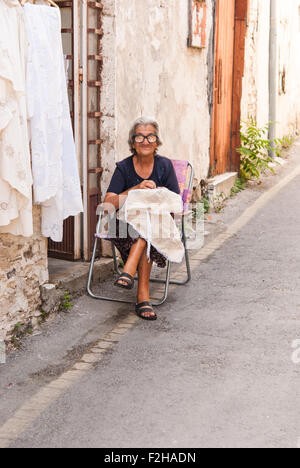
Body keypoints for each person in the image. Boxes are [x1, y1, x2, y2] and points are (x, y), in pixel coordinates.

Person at [103, 117, 180, 321]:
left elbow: (175, 203)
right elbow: (108, 204)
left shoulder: (165, 166)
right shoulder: (124, 167)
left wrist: (158, 194)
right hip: (122, 226)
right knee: (144, 230)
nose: (145, 141)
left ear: (157, 142)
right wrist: (136, 189)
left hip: (158, 225)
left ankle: (128, 271)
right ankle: (142, 297)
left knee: (148, 226)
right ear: (132, 142)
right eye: (139, 136)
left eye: (150, 136)